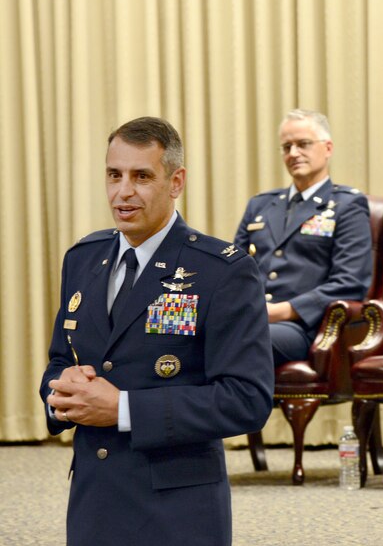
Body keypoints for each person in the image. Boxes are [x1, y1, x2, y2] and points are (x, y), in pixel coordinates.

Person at [40, 117, 274, 545]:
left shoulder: (221, 271)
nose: (123, 192)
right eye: (114, 175)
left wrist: (123, 409)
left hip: (176, 509)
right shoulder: (83, 258)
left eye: (142, 177)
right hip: (94, 501)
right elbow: (60, 359)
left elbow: (247, 399)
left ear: (175, 181)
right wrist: (61, 393)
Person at [234, 109, 372, 366]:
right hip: (252, 319)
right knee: (179, 334)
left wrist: (281, 311)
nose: (294, 153)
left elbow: (350, 282)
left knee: (240, 340)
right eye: (287, 147)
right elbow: (234, 271)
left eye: (303, 144)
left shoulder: (347, 205)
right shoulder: (260, 205)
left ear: (328, 148)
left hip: (303, 326)